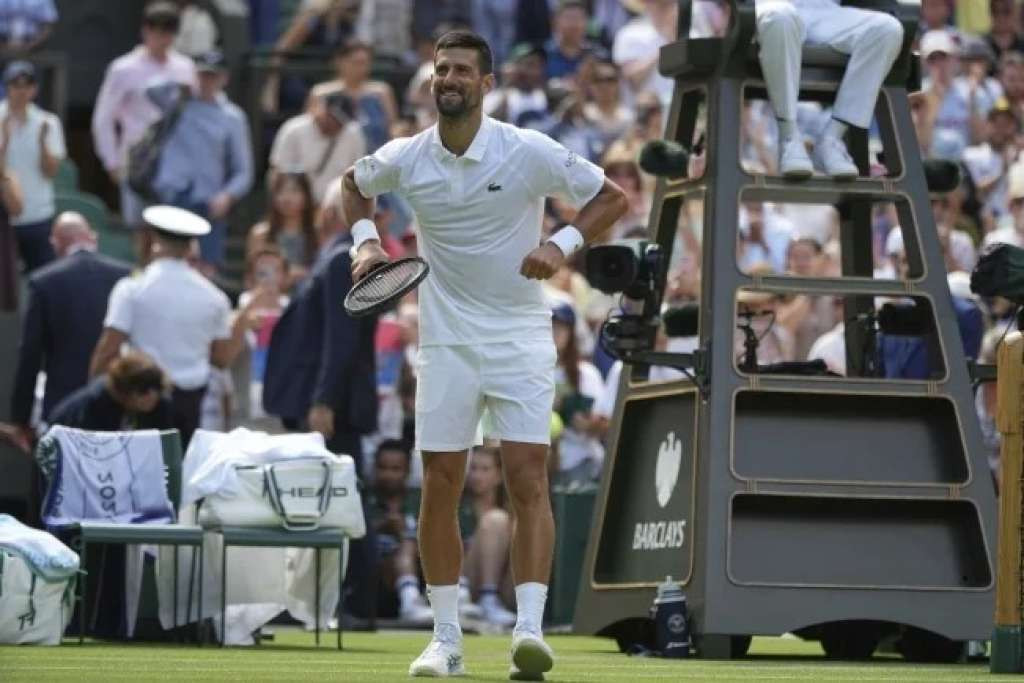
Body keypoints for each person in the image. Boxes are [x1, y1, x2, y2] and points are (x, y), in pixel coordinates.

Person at [342, 29, 628, 678]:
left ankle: (528, 630)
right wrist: (365, 242)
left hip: (520, 335)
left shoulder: (526, 150)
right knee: (440, 485)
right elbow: (352, 184)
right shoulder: (407, 156)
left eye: (462, 70)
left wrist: (563, 242)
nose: (448, 78)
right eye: (441, 69)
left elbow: (612, 196)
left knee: (528, 477)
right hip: (445, 340)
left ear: (486, 84)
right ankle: (446, 640)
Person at [89, 206, 263, 446]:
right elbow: (221, 359)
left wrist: (92, 394)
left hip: (142, 397)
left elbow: (109, 347)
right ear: (190, 246)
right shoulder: (214, 297)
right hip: (192, 403)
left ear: (151, 239)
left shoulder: (131, 289)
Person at [9, 212, 131, 442]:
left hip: (61, 407)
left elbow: (30, 354)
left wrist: (21, 419)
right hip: (117, 405)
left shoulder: (43, 281)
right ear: (92, 238)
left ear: (55, 243)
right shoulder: (124, 277)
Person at [755, 0, 904, 179]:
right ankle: (789, 138)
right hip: (772, 7)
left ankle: (831, 140)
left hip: (826, 11)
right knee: (779, 17)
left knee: (887, 29)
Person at [91, 1, 197, 230]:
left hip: (176, 165)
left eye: (168, 32)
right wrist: (111, 161)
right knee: (140, 230)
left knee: (174, 230)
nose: (162, 39)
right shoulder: (123, 68)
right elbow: (103, 117)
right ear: (145, 31)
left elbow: (192, 115)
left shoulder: (186, 68)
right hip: (138, 162)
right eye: (156, 31)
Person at [152, 50, 254, 275]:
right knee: (163, 263)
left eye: (213, 76)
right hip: (171, 197)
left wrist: (227, 197)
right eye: (202, 75)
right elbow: (149, 91)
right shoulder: (176, 102)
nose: (207, 81)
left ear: (224, 79)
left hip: (207, 204)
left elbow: (244, 172)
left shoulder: (232, 117)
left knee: (205, 269)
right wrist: (182, 81)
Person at [0, 60, 63, 273]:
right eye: (15, 85)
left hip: (37, 216)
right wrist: (4, 143)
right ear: (7, 87)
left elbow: (51, 171)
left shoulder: (48, 122)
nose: (21, 91)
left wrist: (42, 142)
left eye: (26, 85)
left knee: (42, 279)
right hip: (3, 217)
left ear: (34, 89)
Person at [369, 439, 434, 624]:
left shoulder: (422, 500)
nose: (388, 474)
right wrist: (382, 526)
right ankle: (410, 602)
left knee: (410, 543)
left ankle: (412, 599)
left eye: (395, 469)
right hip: (375, 581)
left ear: (407, 471)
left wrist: (404, 532)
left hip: (423, 576)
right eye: (383, 468)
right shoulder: (363, 498)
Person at [268, 90, 366, 205]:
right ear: (321, 108)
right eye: (332, 117)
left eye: (341, 121)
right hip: (299, 209)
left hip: (336, 209)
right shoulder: (293, 130)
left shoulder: (354, 134)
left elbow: (358, 175)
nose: (335, 123)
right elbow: (279, 172)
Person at [459, 445, 516, 628]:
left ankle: (497, 602)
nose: (477, 476)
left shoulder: (511, 509)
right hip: (464, 585)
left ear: (499, 475)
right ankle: (487, 598)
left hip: (505, 586)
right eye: (473, 469)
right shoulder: (457, 508)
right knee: (495, 520)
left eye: (485, 469)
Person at [310, 39, 399, 153]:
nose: (362, 68)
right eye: (356, 63)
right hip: (336, 159)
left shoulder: (382, 92)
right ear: (340, 62)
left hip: (375, 158)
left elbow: (393, 126)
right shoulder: (321, 93)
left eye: (366, 63)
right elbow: (312, 131)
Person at [49, 352, 174, 432]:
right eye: (143, 390)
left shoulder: (159, 406)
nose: (151, 396)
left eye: (156, 388)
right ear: (125, 391)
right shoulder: (94, 406)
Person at [247, 171, 318, 286]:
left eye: (294, 191)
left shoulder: (318, 233)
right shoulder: (260, 234)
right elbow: (251, 278)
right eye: (280, 191)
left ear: (306, 196)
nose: (287, 197)